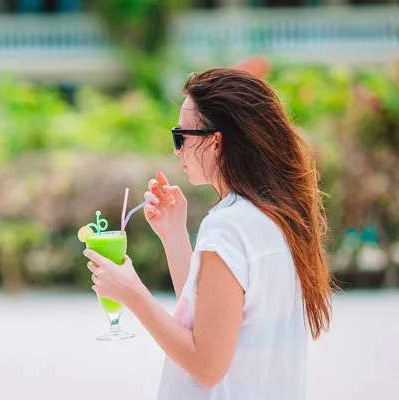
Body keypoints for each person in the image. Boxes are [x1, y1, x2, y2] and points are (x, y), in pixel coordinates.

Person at [83, 68, 334, 399]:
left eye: (180, 137)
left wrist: (133, 294)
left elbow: (207, 365)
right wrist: (174, 234)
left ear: (216, 142)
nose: (177, 150)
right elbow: (214, 318)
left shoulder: (228, 226)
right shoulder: (278, 216)